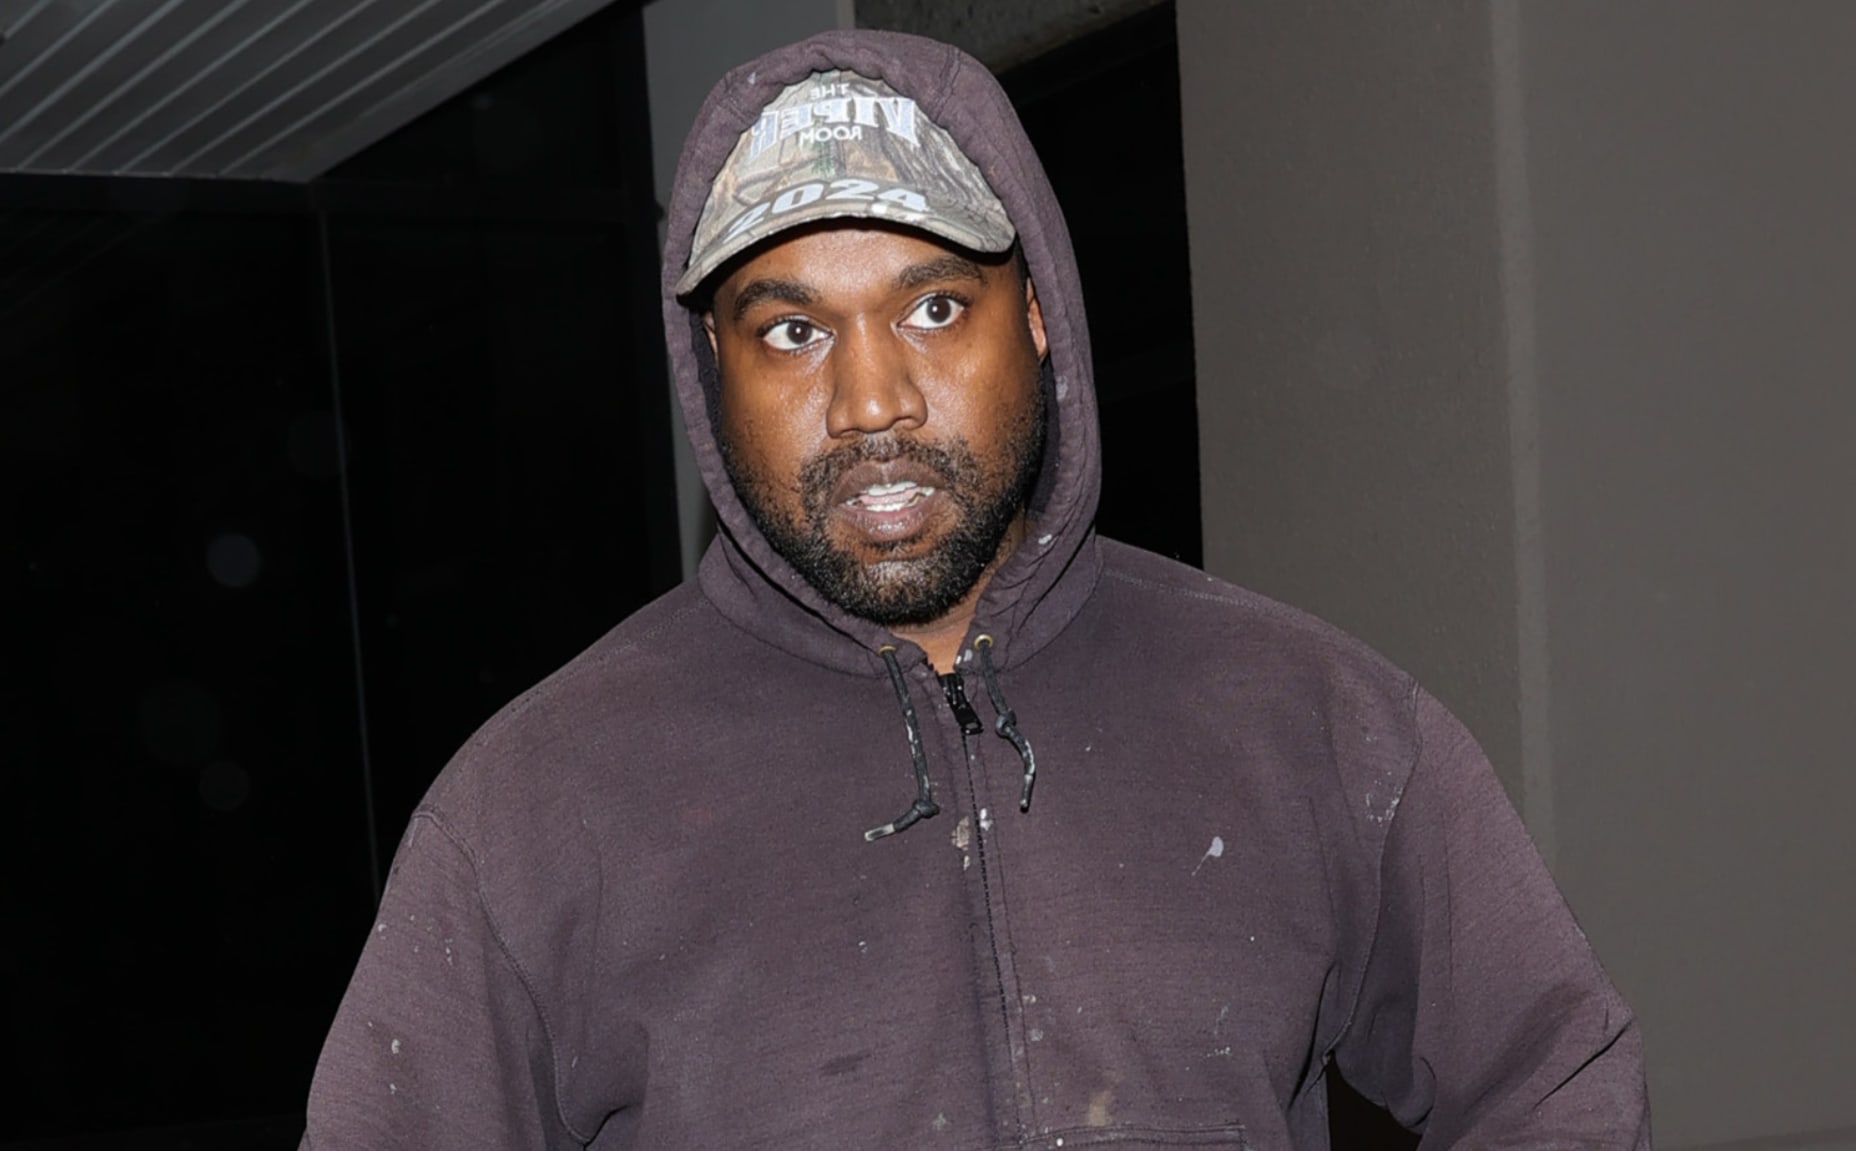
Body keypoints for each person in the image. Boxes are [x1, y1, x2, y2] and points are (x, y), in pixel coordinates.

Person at [301, 29, 1649, 1149]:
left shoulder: (1311, 718)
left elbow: (1552, 1078)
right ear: (712, 367)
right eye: (790, 330)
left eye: (933, 306)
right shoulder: (538, 809)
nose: (871, 400)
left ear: (1041, 311)